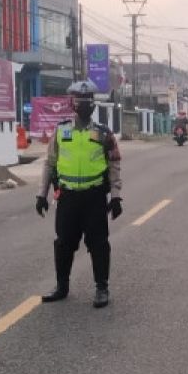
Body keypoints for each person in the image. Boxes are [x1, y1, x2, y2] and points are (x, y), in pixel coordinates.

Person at [34, 80, 122, 308]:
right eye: (79, 101)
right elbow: (50, 164)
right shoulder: (61, 131)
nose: (84, 105)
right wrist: (42, 194)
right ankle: (62, 286)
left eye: (88, 101)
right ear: (72, 104)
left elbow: (114, 165)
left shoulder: (103, 134)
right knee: (63, 243)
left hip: (94, 198)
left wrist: (116, 196)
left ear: (93, 105)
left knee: (99, 244)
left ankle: (102, 288)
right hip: (68, 198)